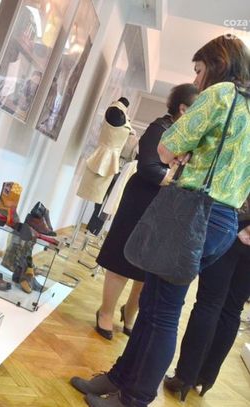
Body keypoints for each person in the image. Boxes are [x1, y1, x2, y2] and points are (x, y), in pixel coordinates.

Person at [70, 34, 250, 407]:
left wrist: (183, 153)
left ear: (217, 65)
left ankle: (134, 397)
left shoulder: (220, 95)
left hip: (193, 212)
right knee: (154, 301)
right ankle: (120, 378)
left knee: (162, 309)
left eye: (199, 70)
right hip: (223, 220)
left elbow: (166, 149)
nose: (196, 80)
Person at [94, 84, 199, 340]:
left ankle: (130, 312)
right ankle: (105, 312)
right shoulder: (159, 128)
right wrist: (176, 179)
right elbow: (149, 168)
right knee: (121, 258)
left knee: (146, 265)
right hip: (140, 200)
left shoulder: (189, 137)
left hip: (165, 206)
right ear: (183, 109)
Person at [164, 193, 250, 400]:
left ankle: (185, 376)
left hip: (236, 220)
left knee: (209, 302)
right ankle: (205, 377)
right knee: (232, 309)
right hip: (237, 223)